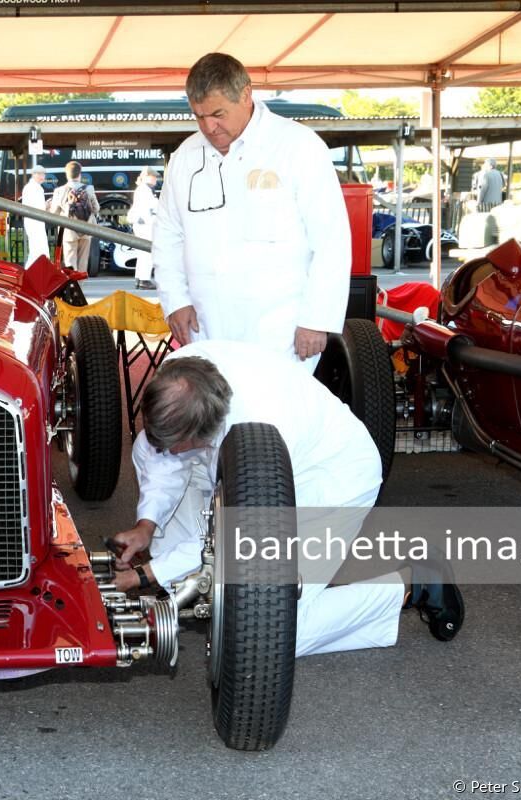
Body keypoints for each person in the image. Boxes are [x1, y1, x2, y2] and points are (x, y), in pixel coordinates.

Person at [110, 340, 465, 657]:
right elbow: (161, 457)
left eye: (178, 445)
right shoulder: (179, 374)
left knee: (270, 632)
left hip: (328, 484)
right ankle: (204, 587)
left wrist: (147, 574)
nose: (169, 452)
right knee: (150, 448)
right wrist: (146, 525)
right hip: (252, 464)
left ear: (203, 432)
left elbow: (236, 531)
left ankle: (414, 583)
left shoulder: (260, 428)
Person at [154, 53, 350, 370]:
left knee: (274, 402)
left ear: (246, 95)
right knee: (213, 401)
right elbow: (168, 235)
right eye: (199, 116)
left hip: (280, 329)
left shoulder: (298, 146)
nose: (209, 127)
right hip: (207, 326)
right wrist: (175, 301)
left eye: (218, 114)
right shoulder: (184, 157)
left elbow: (331, 240)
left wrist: (317, 319)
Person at [47, 160, 99, 272]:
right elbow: (96, 209)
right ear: (80, 174)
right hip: (86, 229)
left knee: (70, 261)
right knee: (83, 261)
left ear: (67, 175)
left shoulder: (59, 191)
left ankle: (72, 281)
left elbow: (54, 213)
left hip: (68, 230)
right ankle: (81, 281)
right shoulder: (89, 189)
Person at [129, 167, 159, 290]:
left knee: (142, 253)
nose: (156, 179)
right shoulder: (145, 190)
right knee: (147, 252)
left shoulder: (143, 189)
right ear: (147, 177)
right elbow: (148, 210)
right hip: (146, 225)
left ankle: (139, 278)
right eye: (154, 177)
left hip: (142, 224)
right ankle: (144, 280)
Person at [21, 164, 49, 267]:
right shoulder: (34, 188)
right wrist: (47, 205)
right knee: (38, 249)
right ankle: (31, 270)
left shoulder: (32, 187)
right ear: (34, 174)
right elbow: (38, 207)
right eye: (40, 174)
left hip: (34, 222)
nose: (42, 177)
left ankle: (32, 270)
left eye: (43, 174)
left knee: (37, 249)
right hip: (35, 222)